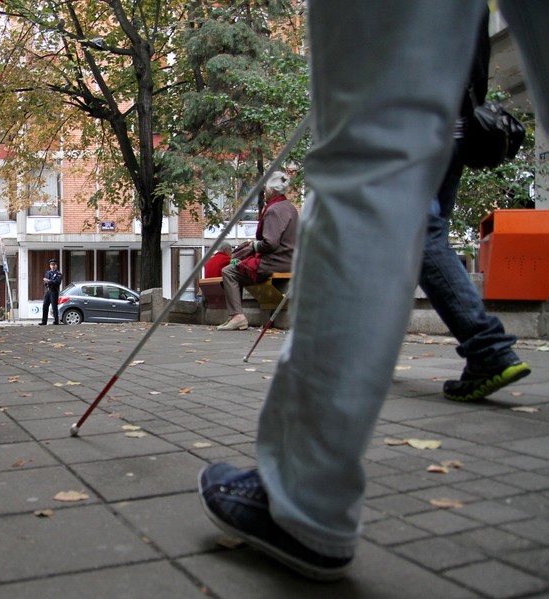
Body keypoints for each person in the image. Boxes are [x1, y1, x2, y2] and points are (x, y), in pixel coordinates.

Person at [198, 1, 548, 582]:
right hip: (458, 110)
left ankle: (302, 500)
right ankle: (486, 347)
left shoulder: (279, 209)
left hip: (440, 103)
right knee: (414, 207)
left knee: (372, 154)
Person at [420, 8, 530, 402]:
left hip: (418, 129)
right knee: (420, 242)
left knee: (419, 236)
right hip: (454, 132)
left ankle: (489, 349)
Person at [217, 171, 297, 331]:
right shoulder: (291, 208)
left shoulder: (274, 210)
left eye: (265, 188)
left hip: (275, 262)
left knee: (229, 271)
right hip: (290, 260)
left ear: (271, 190)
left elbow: (271, 243)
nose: (264, 192)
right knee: (238, 265)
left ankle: (237, 316)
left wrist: (253, 246)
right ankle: (235, 316)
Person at [39, 258, 62, 325]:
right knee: (45, 305)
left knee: (54, 306)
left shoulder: (58, 273)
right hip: (48, 290)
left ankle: (56, 321)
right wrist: (48, 282)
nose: (53, 266)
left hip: (54, 290)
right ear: (50, 265)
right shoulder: (48, 273)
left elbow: (57, 282)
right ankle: (44, 321)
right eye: (52, 265)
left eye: (54, 265)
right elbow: (45, 283)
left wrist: (48, 281)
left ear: (56, 265)